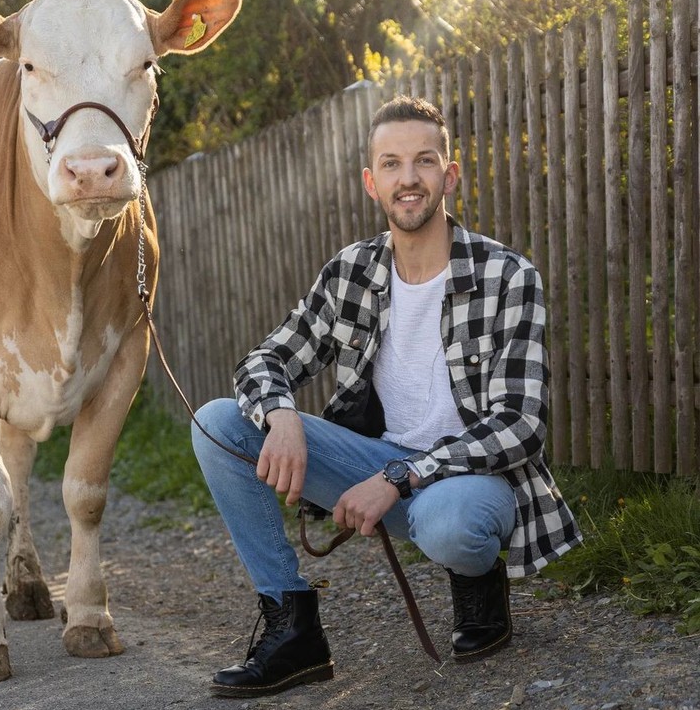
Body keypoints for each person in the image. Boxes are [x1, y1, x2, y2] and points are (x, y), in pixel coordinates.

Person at [191, 95, 582, 698]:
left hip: (470, 483)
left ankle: (477, 578)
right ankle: (293, 627)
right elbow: (265, 360)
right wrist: (281, 412)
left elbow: (519, 427)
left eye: (424, 162)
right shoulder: (353, 271)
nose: (409, 179)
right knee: (218, 423)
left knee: (451, 526)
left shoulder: (508, 277)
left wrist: (402, 476)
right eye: (392, 164)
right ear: (373, 183)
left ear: (449, 175)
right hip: (374, 469)